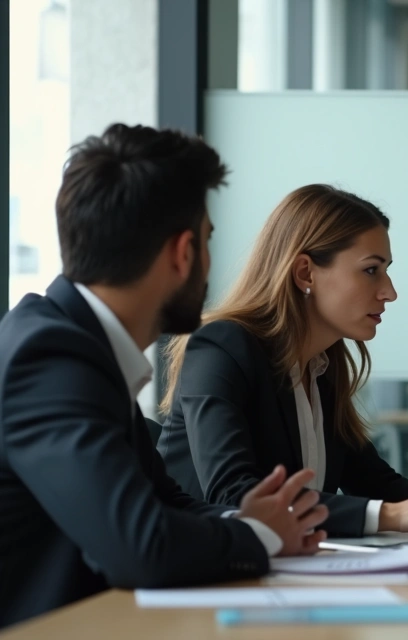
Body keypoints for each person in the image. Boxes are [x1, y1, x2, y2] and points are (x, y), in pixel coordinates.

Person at [0, 124, 327, 628]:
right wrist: (260, 535)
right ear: (183, 253)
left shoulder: (76, 345)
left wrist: (252, 520)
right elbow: (141, 547)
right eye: (208, 241)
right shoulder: (48, 358)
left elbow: (165, 502)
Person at [157, 184, 408, 537]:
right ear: (305, 273)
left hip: (285, 564)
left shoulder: (322, 367)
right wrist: (392, 515)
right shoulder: (220, 348)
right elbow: (235, 496)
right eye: (371, 270)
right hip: (200, 564)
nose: (390, 292)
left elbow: (377, 484)